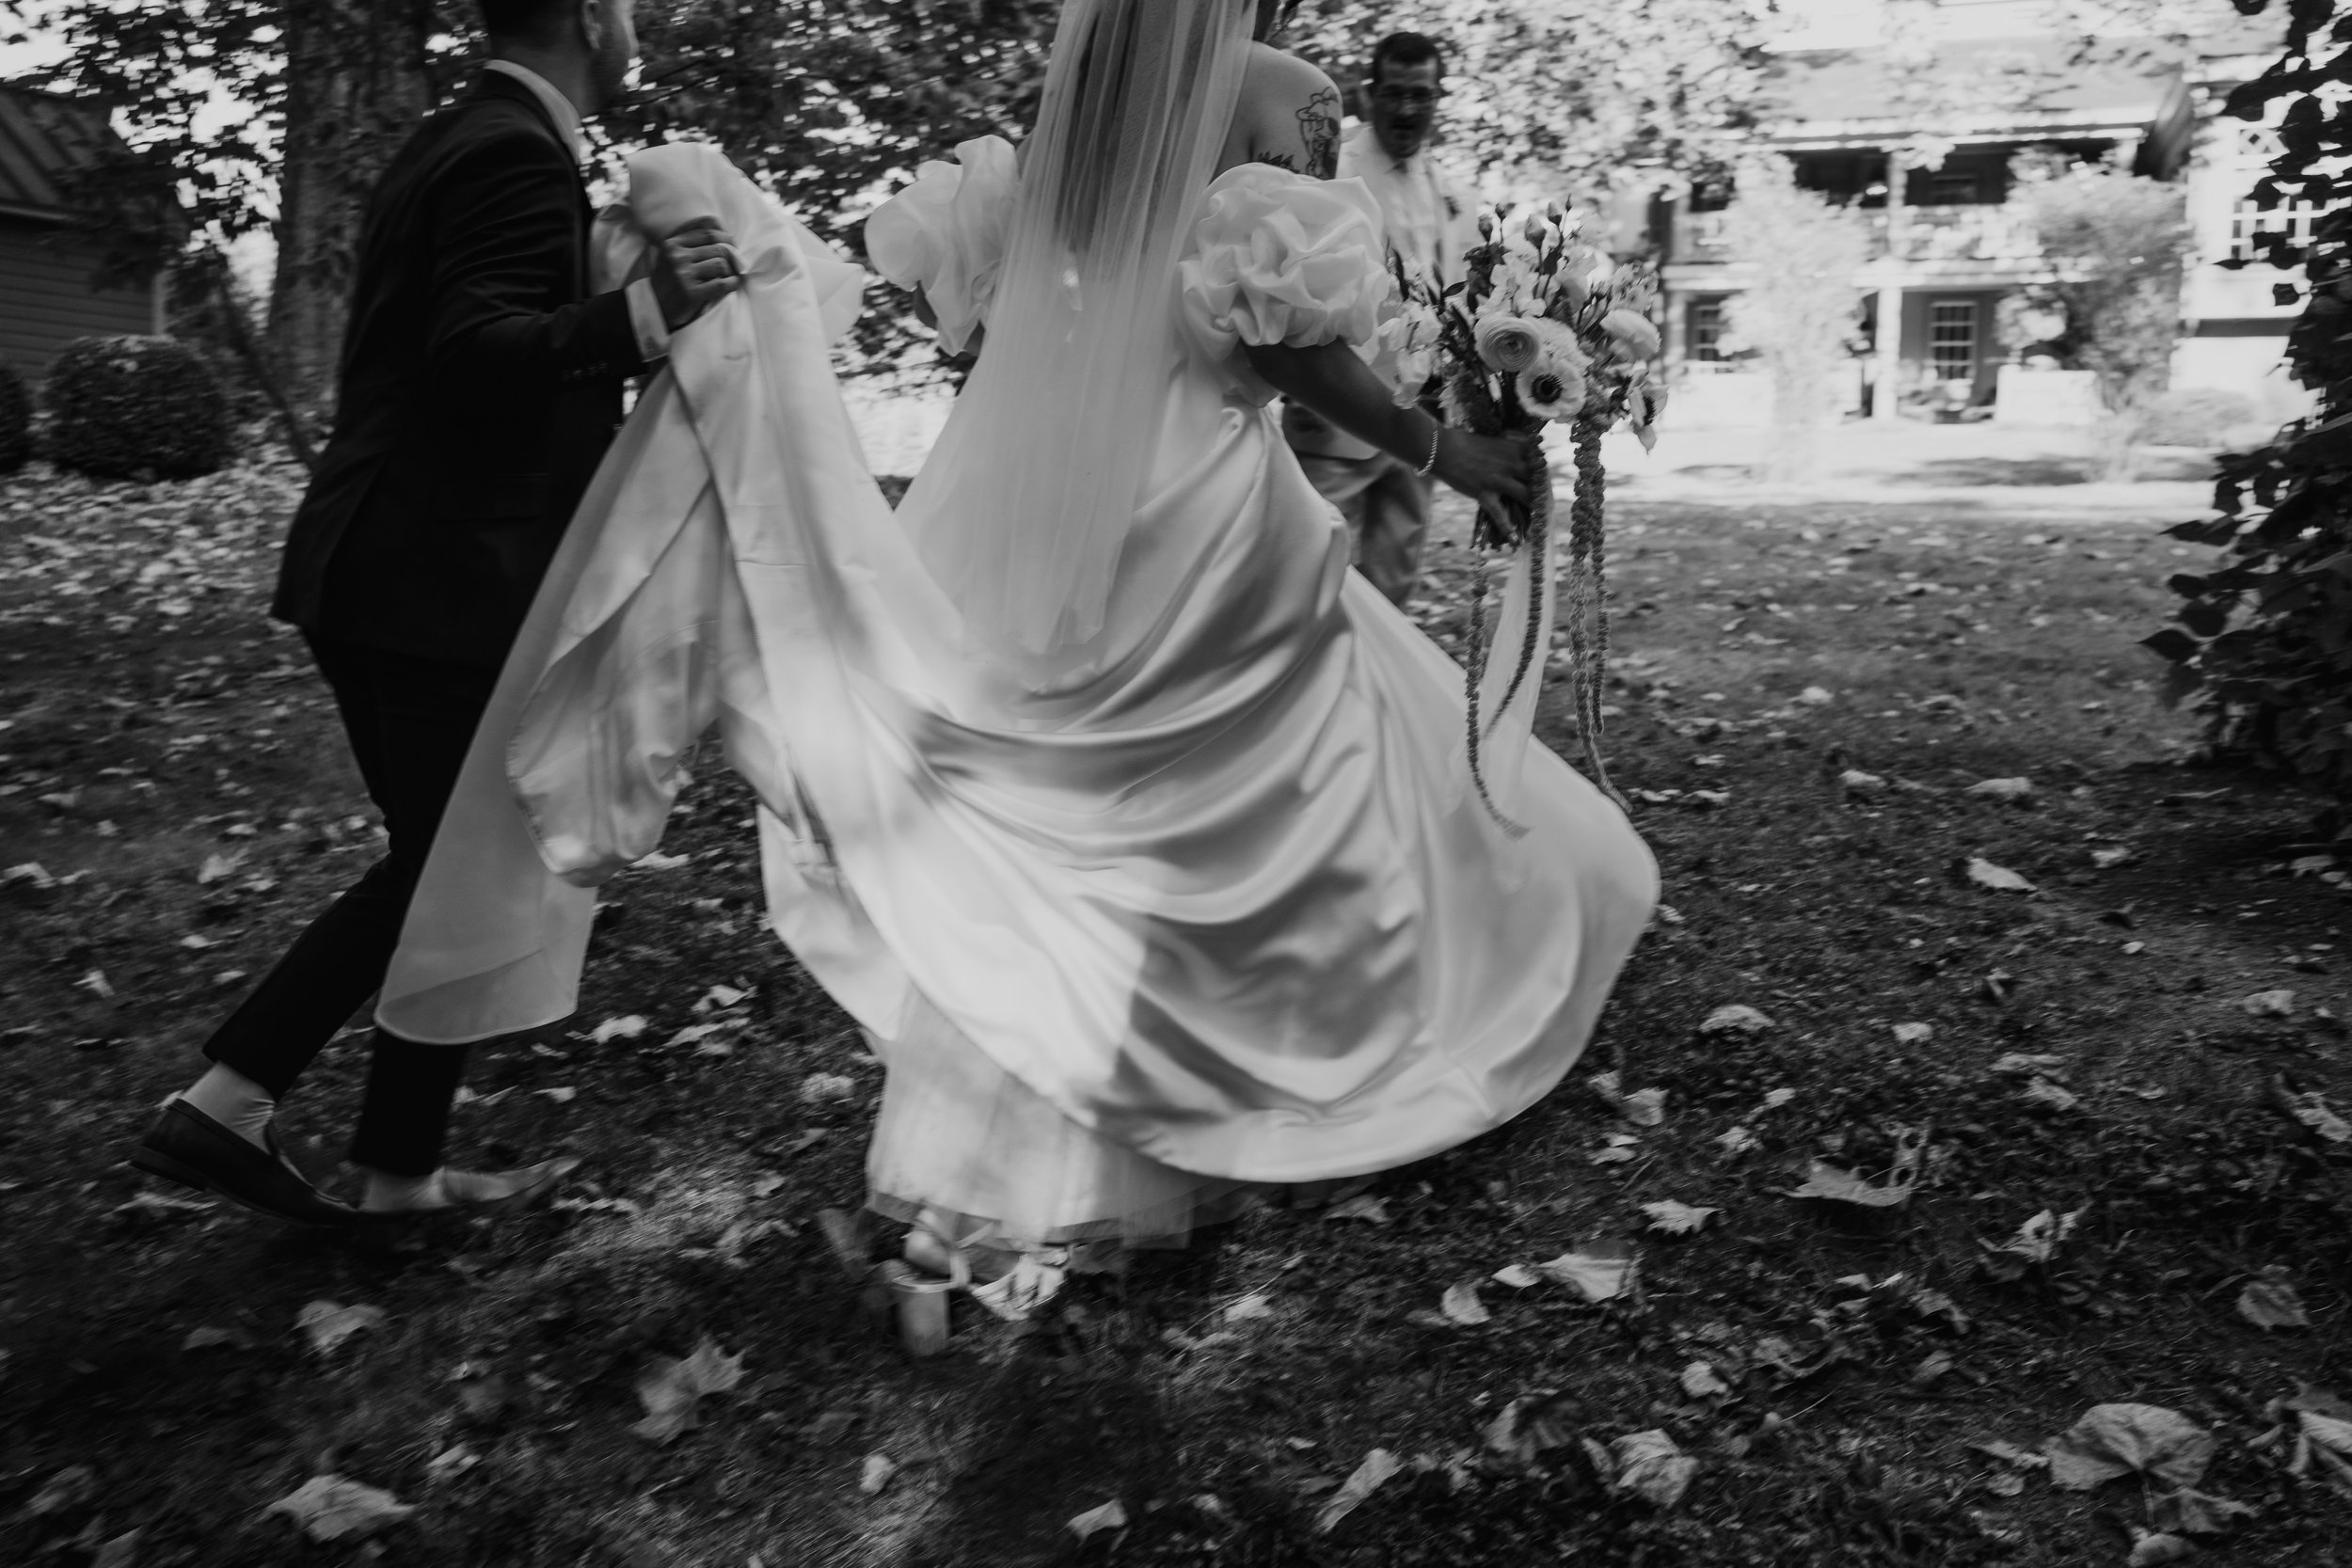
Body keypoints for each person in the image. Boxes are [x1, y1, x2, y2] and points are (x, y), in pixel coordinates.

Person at [372, 0, 1657, 1347]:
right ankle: (1290, 1068)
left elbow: (1027, 304)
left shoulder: (1086, 93)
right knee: (1249, 802)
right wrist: (1447, 447)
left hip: (1063, 503)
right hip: (1204, 506)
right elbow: (1287, 344)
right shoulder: (1279, 87)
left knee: (1084, 820)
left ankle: (1025, 1154)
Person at [127, 0, 743, 1224]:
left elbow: (463, 346)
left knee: (455, 858)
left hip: (401, 564)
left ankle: (393, 1165)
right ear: (588, 15)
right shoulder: (509, 150)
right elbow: (471, 355)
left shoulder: (464, 132)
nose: (636, 28)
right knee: (448, 862)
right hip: (426, 575)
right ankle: (227, 1101)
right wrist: (644, 313)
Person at [1279, 30, 1477, 609]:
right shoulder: (1330, 167)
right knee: (1316, 587)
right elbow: (1294, 280)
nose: (1407, 109)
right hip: (1338, 412)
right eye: (1394, 93)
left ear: (1438, 98)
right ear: (1369, 95)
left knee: (1394, 587)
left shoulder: (1449, 187)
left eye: (1421, 95)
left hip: (1423, 419)